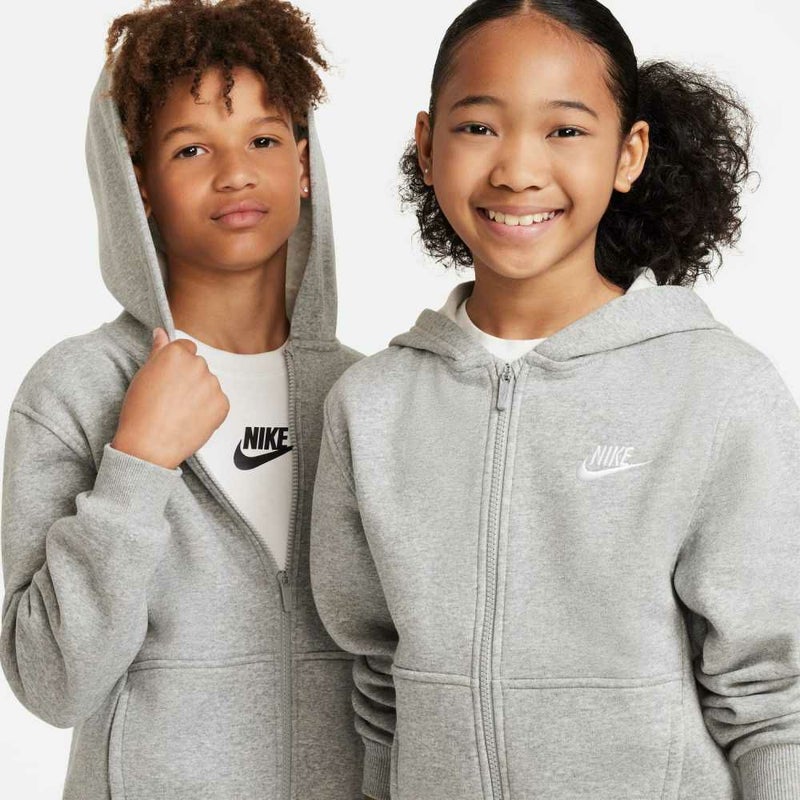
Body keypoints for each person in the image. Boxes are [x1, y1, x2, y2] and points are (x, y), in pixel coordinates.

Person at [308, 1, 800, 799]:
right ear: (427, 146)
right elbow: (376, 683)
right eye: (479, 127)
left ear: (629, 153)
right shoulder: (370, 407)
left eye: (564, 130)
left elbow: (775, 700)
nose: (517, 169)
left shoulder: (715, 390)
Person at [0, 1, 363, 797]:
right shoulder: (75, 390)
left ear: (303, 165)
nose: (235, 173)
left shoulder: (366, 397)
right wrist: (138, 461)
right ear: (140, 185)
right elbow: (51, 683)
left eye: (263, 140)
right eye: (192, 148)